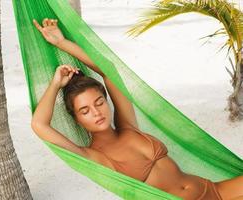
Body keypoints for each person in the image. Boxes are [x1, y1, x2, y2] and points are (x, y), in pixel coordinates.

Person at [31, 18, 243, 200]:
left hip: (214, 191)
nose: (97, 112)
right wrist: (55, 84)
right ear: (77, 119)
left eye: (99, 103)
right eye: (85, 111)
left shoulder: (127, 126)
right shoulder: (94, 157)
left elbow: (108, 71)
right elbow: (39, 124)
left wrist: (62, 43)